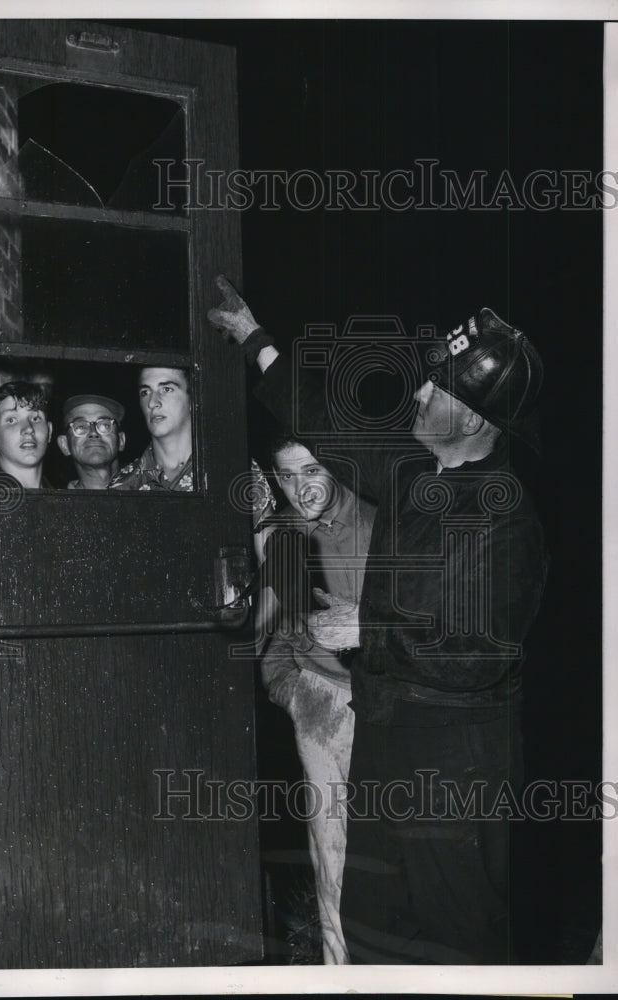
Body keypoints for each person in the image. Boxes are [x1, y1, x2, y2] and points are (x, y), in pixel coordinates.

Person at [209, 276, 548, 965]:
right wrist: (254, 340)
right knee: (374, 921)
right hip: (387, 738)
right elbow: (328, 428)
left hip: (455, 766)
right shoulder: (412, 471)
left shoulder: (507, 520)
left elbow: (479, 655)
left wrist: (372, 628)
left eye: (436, 390)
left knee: (458, 936)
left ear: (474, 420)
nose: (418, 395)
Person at [259, 434, 375, 964]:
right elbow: (272, 627)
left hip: (382, 703)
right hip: (319, 703)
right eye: (287, 476)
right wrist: (290, 690)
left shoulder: (382, 522)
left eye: (311, 471)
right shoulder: (281, 533)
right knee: (329, 850)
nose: (300, 488)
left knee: (389, 850)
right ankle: (337, 971)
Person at [109, 366, 193, 491]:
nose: (152, 403)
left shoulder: (221, 469)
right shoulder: (123, 486)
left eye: (166, 389)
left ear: (193, 398)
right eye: (145, 393)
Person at [0, 380, 52, 489]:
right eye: (11, 420)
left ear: (50, 431)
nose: (28, 428)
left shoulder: (68, 502)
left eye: (35, 418)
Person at [57, 394, 126, 489]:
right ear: (64, 445)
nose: (93, 432)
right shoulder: (55, 502)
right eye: (80, 426)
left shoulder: (147, 494)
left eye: (105, 425)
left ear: (121, 440)